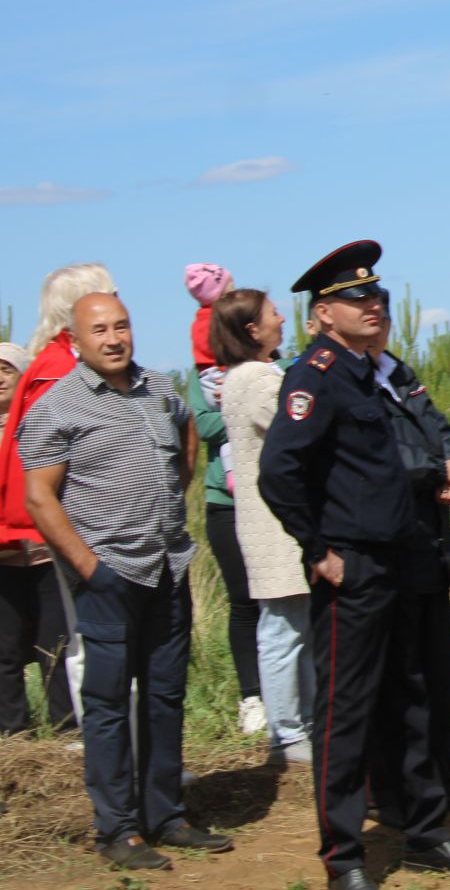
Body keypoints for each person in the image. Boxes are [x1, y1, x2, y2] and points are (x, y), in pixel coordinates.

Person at [257, 242, 450, 890]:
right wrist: (317, 548)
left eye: (380, 297)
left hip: (406, 560)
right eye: (358, 299)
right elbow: (278, 472)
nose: (374, 307)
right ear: (323, 313)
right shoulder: (315, 375)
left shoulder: (375, 373)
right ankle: (344, 860)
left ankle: (425, 835)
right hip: (354, 566)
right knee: (345, 714)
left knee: (414, 699)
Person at [18, 294, 230, 872]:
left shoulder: (161, 389)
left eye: (121, 326)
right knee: (108, 704)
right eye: (99, 330)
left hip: (167, 567)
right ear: (76, 340)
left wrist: (161, 514)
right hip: (106, 575)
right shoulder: (56, 406)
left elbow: (186, 447)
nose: (113, 339)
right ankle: (117, 828)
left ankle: (166, 814)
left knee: (165, 695)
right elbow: (40, 497)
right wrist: (91, 568)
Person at [366, 300, 450, 817]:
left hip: (430, 546)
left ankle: (440, 777)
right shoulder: (344, 382)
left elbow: (443, 432)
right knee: (395, 678)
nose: (378, 321)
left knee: (440, 672)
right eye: (367, 310)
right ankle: (388, 791)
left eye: (383, 314)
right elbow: (379, 456)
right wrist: (438, 472)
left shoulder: (399, 372)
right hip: (386, 550)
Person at [0, 262, 114, 734]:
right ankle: (89, 742)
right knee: (84, 640)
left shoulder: (58, 365)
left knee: (70, 639)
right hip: (64, 527)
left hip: (60, 530)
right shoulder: (58, 371)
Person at [209, 290, 312, 765]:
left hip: (273, 520)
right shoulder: (256, 379)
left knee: (294, 625)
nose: (281, 319)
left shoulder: (251, 375)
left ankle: (300, 726)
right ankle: (288, 733)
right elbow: (299, 431)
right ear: (252, 329)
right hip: (275, 525)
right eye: (272, 313)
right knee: (282, 627)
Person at [183, 267, 265, 740]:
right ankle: (250, 696)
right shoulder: (201, 380)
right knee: (242, 601)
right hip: (225, 500)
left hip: (271, 498)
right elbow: (208, 427)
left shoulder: (277, 368)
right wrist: (240, 404)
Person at [0, 339, 73, 737]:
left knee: (54, 645)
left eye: (7, 369)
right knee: (4, 650)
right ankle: (13, 732)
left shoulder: (42, 423)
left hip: (46, 553)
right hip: (4, 558)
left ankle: (65, 728)